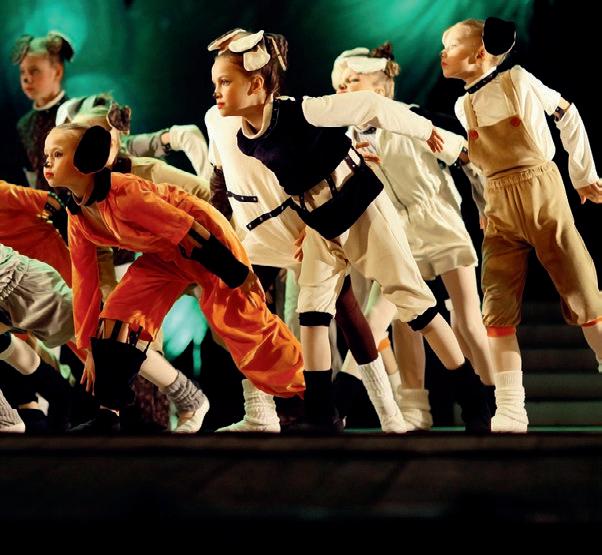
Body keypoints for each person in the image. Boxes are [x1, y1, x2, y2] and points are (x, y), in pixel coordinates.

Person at [208, 28, 486, 432]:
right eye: (216, 82)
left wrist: (427, 130)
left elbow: (370, 105)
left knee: (416, 305)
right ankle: (322, 415)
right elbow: (287, 188)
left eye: (225, 82)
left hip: (362, 213)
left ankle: (474, 398)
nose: (216, 92)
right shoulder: (246, 136)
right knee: (312, 311)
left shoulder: (301, 111)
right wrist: (300, 226)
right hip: (321, 228)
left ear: (256, 85)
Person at [43, 123, 305, 432]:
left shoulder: (125, 193)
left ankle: (311, 393)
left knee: (244, 325)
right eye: (47, 154)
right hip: (165, 254)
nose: (47, 162)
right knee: (119, 312)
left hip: (206, 243)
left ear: (85, 159)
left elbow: (184, 227)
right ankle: (107, 415)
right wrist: (89, 347)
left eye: (57, 154)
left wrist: (235, 272)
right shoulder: (77, 216)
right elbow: (85, 283)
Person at [441, 17, 602, 432]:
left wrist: (583, 174)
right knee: (496, 305)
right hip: (498, 202)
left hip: (539, 189)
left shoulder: (518, 80)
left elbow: (567, 113)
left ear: (479, 52)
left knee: (583, 291)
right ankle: (511, 408)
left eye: (451, 45)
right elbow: (478, 167)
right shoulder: (462, 106)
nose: (443, 53)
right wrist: (484, 204)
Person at [333, 42, 494, 431]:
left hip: (439, 222)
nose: (342, 88)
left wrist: (488, 206)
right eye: (339, 83)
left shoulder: (412, 119)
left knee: (466, 319)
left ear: (380, 86)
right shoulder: (346, 140)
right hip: (395, 234)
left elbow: (467, 157)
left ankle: (493, 400)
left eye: (352, 81)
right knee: (400, 320)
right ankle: (414, 407)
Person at [12, 31, 74, 190]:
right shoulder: (24, 125)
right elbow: (32, 178)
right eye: (22, 72)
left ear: (57, 72)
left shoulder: (75, 117)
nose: (26, 78)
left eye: (34, 71)